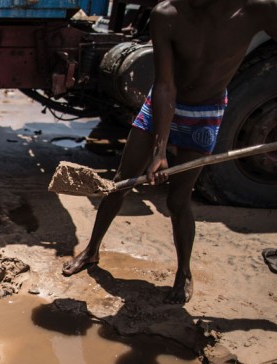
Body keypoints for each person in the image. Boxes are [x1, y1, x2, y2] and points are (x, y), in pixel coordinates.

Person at [62, 0, 277, 304]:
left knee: (179, 200)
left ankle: (184, 272)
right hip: (161, 104)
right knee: (121, 182)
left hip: (206, 113)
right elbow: (164, 85)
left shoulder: (257, 10)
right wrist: (159, 150)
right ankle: (92, 249)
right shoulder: (168, 13)